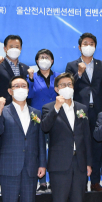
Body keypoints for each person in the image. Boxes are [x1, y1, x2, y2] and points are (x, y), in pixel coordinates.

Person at [41, 73, 93, 202]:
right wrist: (56, 107)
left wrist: (89, 162)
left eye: (69, 84)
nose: (66, 87)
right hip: (59, 164)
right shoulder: (48, 108)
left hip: (79, 164)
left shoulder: (82, 108)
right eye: (62, 85)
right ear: (56, 89)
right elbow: (45, 128)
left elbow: (86, 137)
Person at [66, 32, 102, 192]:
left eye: (91, 44)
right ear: (79, 47)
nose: (88, 46)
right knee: (81, 146)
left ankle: (95, 181)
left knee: (97, 146)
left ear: (95, 47)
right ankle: (82, 181)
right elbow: (68, 86)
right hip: (80, 111)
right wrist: (78, 74)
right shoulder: (72, 65)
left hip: (98, 111)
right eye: (85, 44)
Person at [28, 48, 59, 192]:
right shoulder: (31, 77)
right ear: (36, 61)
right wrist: (30, 80)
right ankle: (42, 182)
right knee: (40, 149)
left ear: (52, 60)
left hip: (55, 116)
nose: (44, 60)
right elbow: (28, 95)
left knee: (54, 149)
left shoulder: (59, 76)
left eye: (47, 57)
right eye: (41, 57)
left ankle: (53, 180)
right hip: (38, 117)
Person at [0, 34, 29, 103]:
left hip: (21, 105)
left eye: (17, 47)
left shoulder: (25, 68)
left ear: (21, 49)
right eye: (11, 47)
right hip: (3, 106)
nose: (14, 49)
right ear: (5, 49)